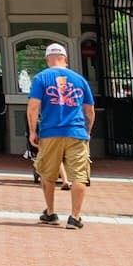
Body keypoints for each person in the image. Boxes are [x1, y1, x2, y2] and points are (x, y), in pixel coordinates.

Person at [27, 43, 96, 230]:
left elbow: (34, 106)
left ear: (48, 59)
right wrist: (87, 132)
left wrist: (33, 131)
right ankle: (75, 217)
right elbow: (89, 110)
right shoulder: (80, 80)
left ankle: (50, 212)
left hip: (50, 132)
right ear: (65, 58)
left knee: (47, 173)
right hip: (76, 132)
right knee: (79, 175)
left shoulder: (41, 78)